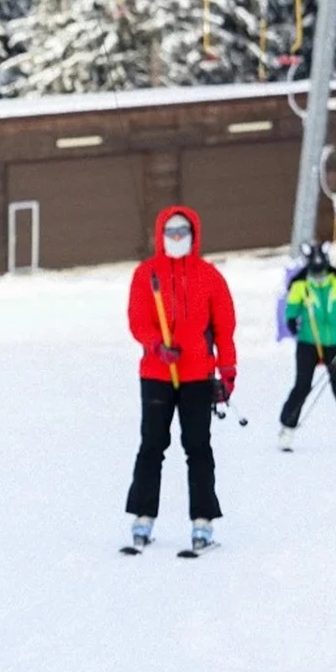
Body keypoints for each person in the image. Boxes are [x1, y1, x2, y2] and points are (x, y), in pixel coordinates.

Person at [123, 207, 236, 556]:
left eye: (182, 232)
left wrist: (227, 373)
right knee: (152, 446)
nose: (176, 238)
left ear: (193, 234)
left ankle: (203, 520)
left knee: (198, 447)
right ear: (160, 234)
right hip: (157, 373)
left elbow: (225, 329)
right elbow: (138, 319)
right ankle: (143, 516)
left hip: (197, 376)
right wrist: (156, 345)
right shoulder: (147, 274)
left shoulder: (209, 276)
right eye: (170, 232)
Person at [280, 243, 336, 453]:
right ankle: (287, 428)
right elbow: (291, 309)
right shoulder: (300, 285)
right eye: (315, 271)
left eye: (321, 271)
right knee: (302, 385)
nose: (318, 275)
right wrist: (292, 319)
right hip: (308, 342)